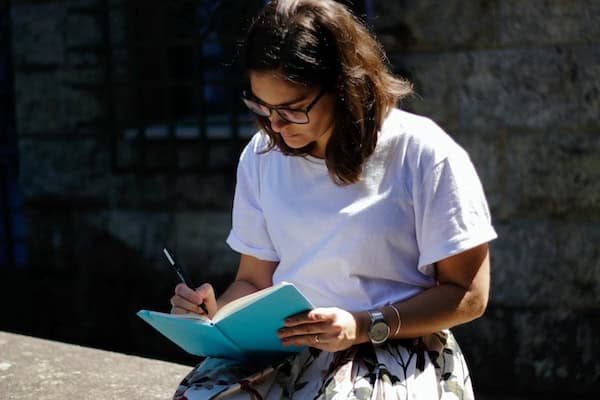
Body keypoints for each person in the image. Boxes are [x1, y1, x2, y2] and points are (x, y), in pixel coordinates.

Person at [169, 0, 497, 398]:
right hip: (288, 347)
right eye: (262, 107)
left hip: (391, 344)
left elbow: (470, 295)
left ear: (344, 85)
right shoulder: (261, 155)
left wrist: (363, 324)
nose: (274, 125)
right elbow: (254, 280)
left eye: (291, 109)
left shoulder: (423, 153)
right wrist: (214, 313)